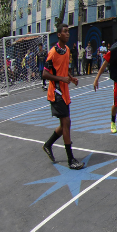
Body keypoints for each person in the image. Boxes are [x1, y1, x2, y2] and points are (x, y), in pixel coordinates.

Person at [41, 24, 84, 170]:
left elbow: (63, 69)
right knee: (66, 122)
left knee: (65, 124)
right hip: (56, 93)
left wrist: (71, 78)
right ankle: (70, 159)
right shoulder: (53, 52)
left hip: (64, 92)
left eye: (68, 32)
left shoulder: (66, 50)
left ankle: (48, 144)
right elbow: (45, 74)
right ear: (59, 35)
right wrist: (61, 79)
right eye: (65, 32)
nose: (67, 34)